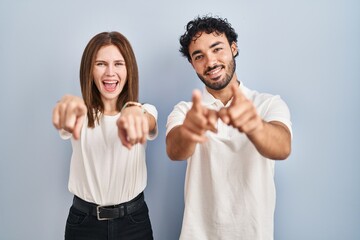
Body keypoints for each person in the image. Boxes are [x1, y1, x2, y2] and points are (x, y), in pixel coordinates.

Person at [166, 16, 292, 240]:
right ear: (192, 64)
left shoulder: (268, 103)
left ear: (233, 48)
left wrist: (254, 125)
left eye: (217, 49)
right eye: (199, 56)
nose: (211, 62)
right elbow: (175, 151)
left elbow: (282, 147)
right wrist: (189, 131)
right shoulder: (186, 111)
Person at [52, 31, 157, 240]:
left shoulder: (145, 110)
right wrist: (64, 108)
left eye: (118, 63)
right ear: (89, 70)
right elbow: (64, 117)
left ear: (129, 70)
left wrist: (136, 112)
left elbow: (147, 121)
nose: (110, 72)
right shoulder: (79, 113)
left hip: (134, 223)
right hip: (84, 224)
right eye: (101, 64)